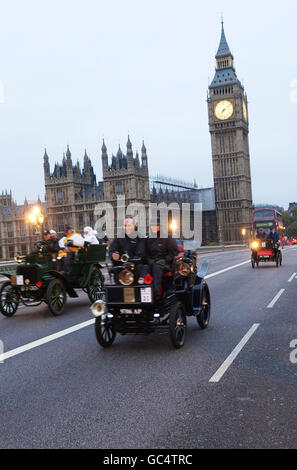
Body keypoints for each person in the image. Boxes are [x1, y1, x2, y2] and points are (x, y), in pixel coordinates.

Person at [145, 216, 178, 300]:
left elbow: (173, 252)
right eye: (152, 226)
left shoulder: (168, 238)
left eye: (156, 226)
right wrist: (149, 260)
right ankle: (144, 291)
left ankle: (156, 293)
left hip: (165, 263)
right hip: (152, 262)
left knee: (157, 267)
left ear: (159, 227)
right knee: (143, 268)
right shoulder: (148, 239)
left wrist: (165, 260)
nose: (154, 227)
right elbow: (146, 253)